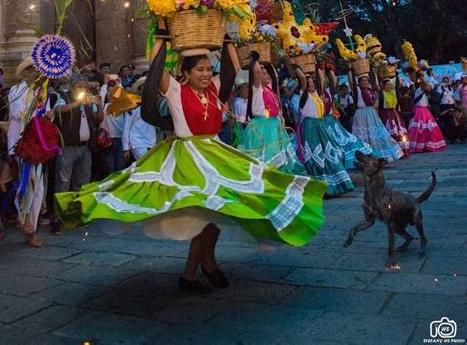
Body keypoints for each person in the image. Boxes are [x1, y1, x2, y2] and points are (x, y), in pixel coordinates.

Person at [55, 27, 326, 293]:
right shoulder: (174, 89)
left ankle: (203, 265)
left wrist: (225, 32)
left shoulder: (214, 89)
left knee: (217, 210)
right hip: (188, 157)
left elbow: (231, 68)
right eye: (200, 70)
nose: (207, 74)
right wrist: (162, 32)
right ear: (185, 73)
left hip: (216, 154)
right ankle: (198, 268)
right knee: (207, 211)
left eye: (208, 69)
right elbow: (156, 66)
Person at [7, 57, 54, 247]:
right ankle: (26, 223)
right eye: (34, 70)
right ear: (27, 72)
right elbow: (18, 113)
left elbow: (45, 117)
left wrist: (49, 115)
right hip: (21, 143)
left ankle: (30, 226)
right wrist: (33, 104)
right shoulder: (16, 90)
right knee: (27, 184)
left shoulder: (43, 92)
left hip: (38, 142)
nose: (38, 74)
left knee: (39, 187)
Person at [51, 73, 103, 234]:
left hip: (85, 147)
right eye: (80, 86)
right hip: (67, 147)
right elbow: (58, 111)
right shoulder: (63, 97)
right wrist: (77, 103)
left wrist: (100, 105)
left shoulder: (88, 101)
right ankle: (59, 219)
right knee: (63, 183)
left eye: (85, 87)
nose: (83, 89)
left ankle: (77, 216)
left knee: (81, 183)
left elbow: (98, 119)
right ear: (72, 87)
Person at [239, 54, 305, 174]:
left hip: (274, 127)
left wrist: (274, 61)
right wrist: (255, 59)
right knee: (267, 160)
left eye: (267, 73)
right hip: (262, 128)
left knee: (282, 159)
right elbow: (257, 72)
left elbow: (273, 74)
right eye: (264, 74)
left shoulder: (269, 88)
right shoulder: (257, 89)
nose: (268, 75)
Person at [295, 67, 354, 195]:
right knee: (317, 155)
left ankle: (337, 183)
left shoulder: (316, 93)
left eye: (312, 83)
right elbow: (302, 79)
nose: (311, 85)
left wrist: (319, 67)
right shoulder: (303, 95)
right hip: (310, 127)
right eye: (308, 83)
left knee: (331, 152)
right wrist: (295, 65)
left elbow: (322, 80)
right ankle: (321, 186)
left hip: (320, 125)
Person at [349, 71, 403, 161]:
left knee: (376, 134)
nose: (365, 82)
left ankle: (380, 156)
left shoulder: (370, 90)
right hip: (361, 114)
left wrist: (373, 70)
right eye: (363, 81)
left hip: (371, 113)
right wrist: (350, 70)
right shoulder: (357, 90)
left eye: (367, 80)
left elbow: (375, 82)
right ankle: (365, 157)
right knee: (364, 136)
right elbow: (351, 82)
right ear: (359, 83)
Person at [121, 77, 157, 162]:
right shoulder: (133, 105)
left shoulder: (153, 103)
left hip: (152, 141)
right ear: (140, 90)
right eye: (143, 87)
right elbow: (127, 126)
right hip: (138, 142)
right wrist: (126, 148)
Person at [408, 76, 447, 153]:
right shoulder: (419, 90)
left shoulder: (425, 93)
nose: (428, 87)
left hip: (425, 111)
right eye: (427, 86)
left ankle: (428, 145)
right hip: (419, 111)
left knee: (429, 129)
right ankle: (419, 146)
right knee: (420, 129)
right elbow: (424, 85)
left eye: (429, 86)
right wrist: (422, 77)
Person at [378, 78, 409, 157]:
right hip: (385, 114)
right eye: (387, 84)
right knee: (390, 132)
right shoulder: (381, 94)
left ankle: (402, 151)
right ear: (383, 86)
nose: (389, 86)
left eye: (390, 84)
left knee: (399, 132)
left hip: (394, 113)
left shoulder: (393, 93)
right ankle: (393, 152)